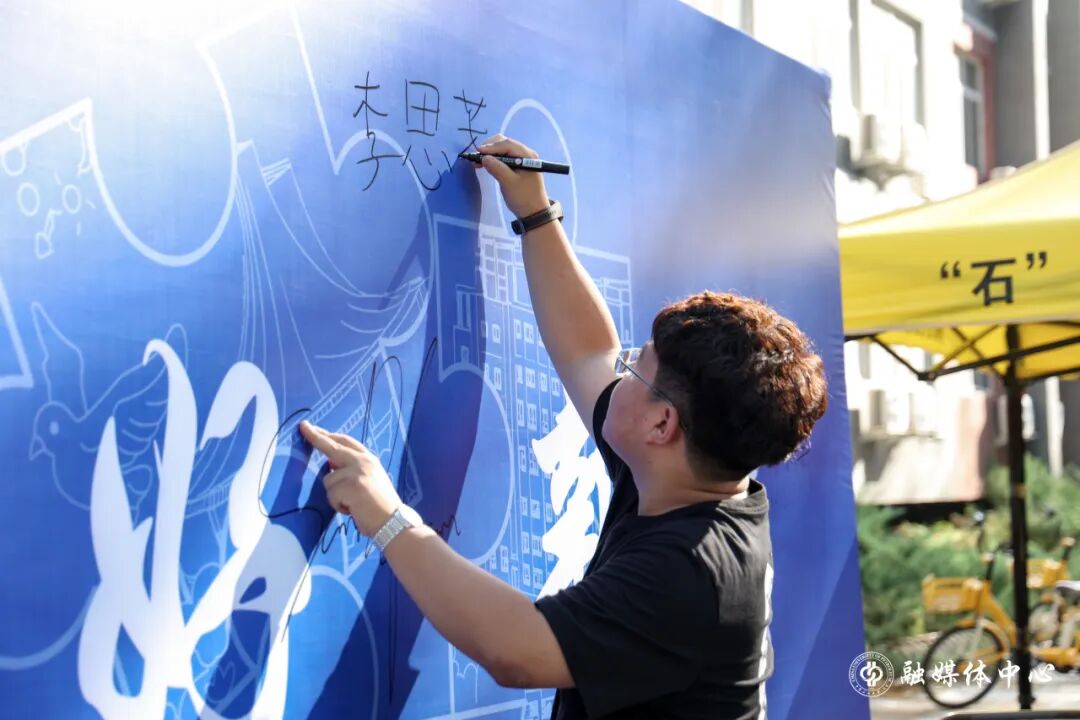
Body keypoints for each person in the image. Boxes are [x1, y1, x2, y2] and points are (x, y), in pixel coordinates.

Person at [300, 135, 828, 719]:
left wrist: (386, 516)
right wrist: (536, 214)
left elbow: (518, 649)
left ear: (661, 425)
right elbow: (588, 351)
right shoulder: (687, 475)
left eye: (636, 366)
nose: (619, 367)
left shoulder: (692, 569)